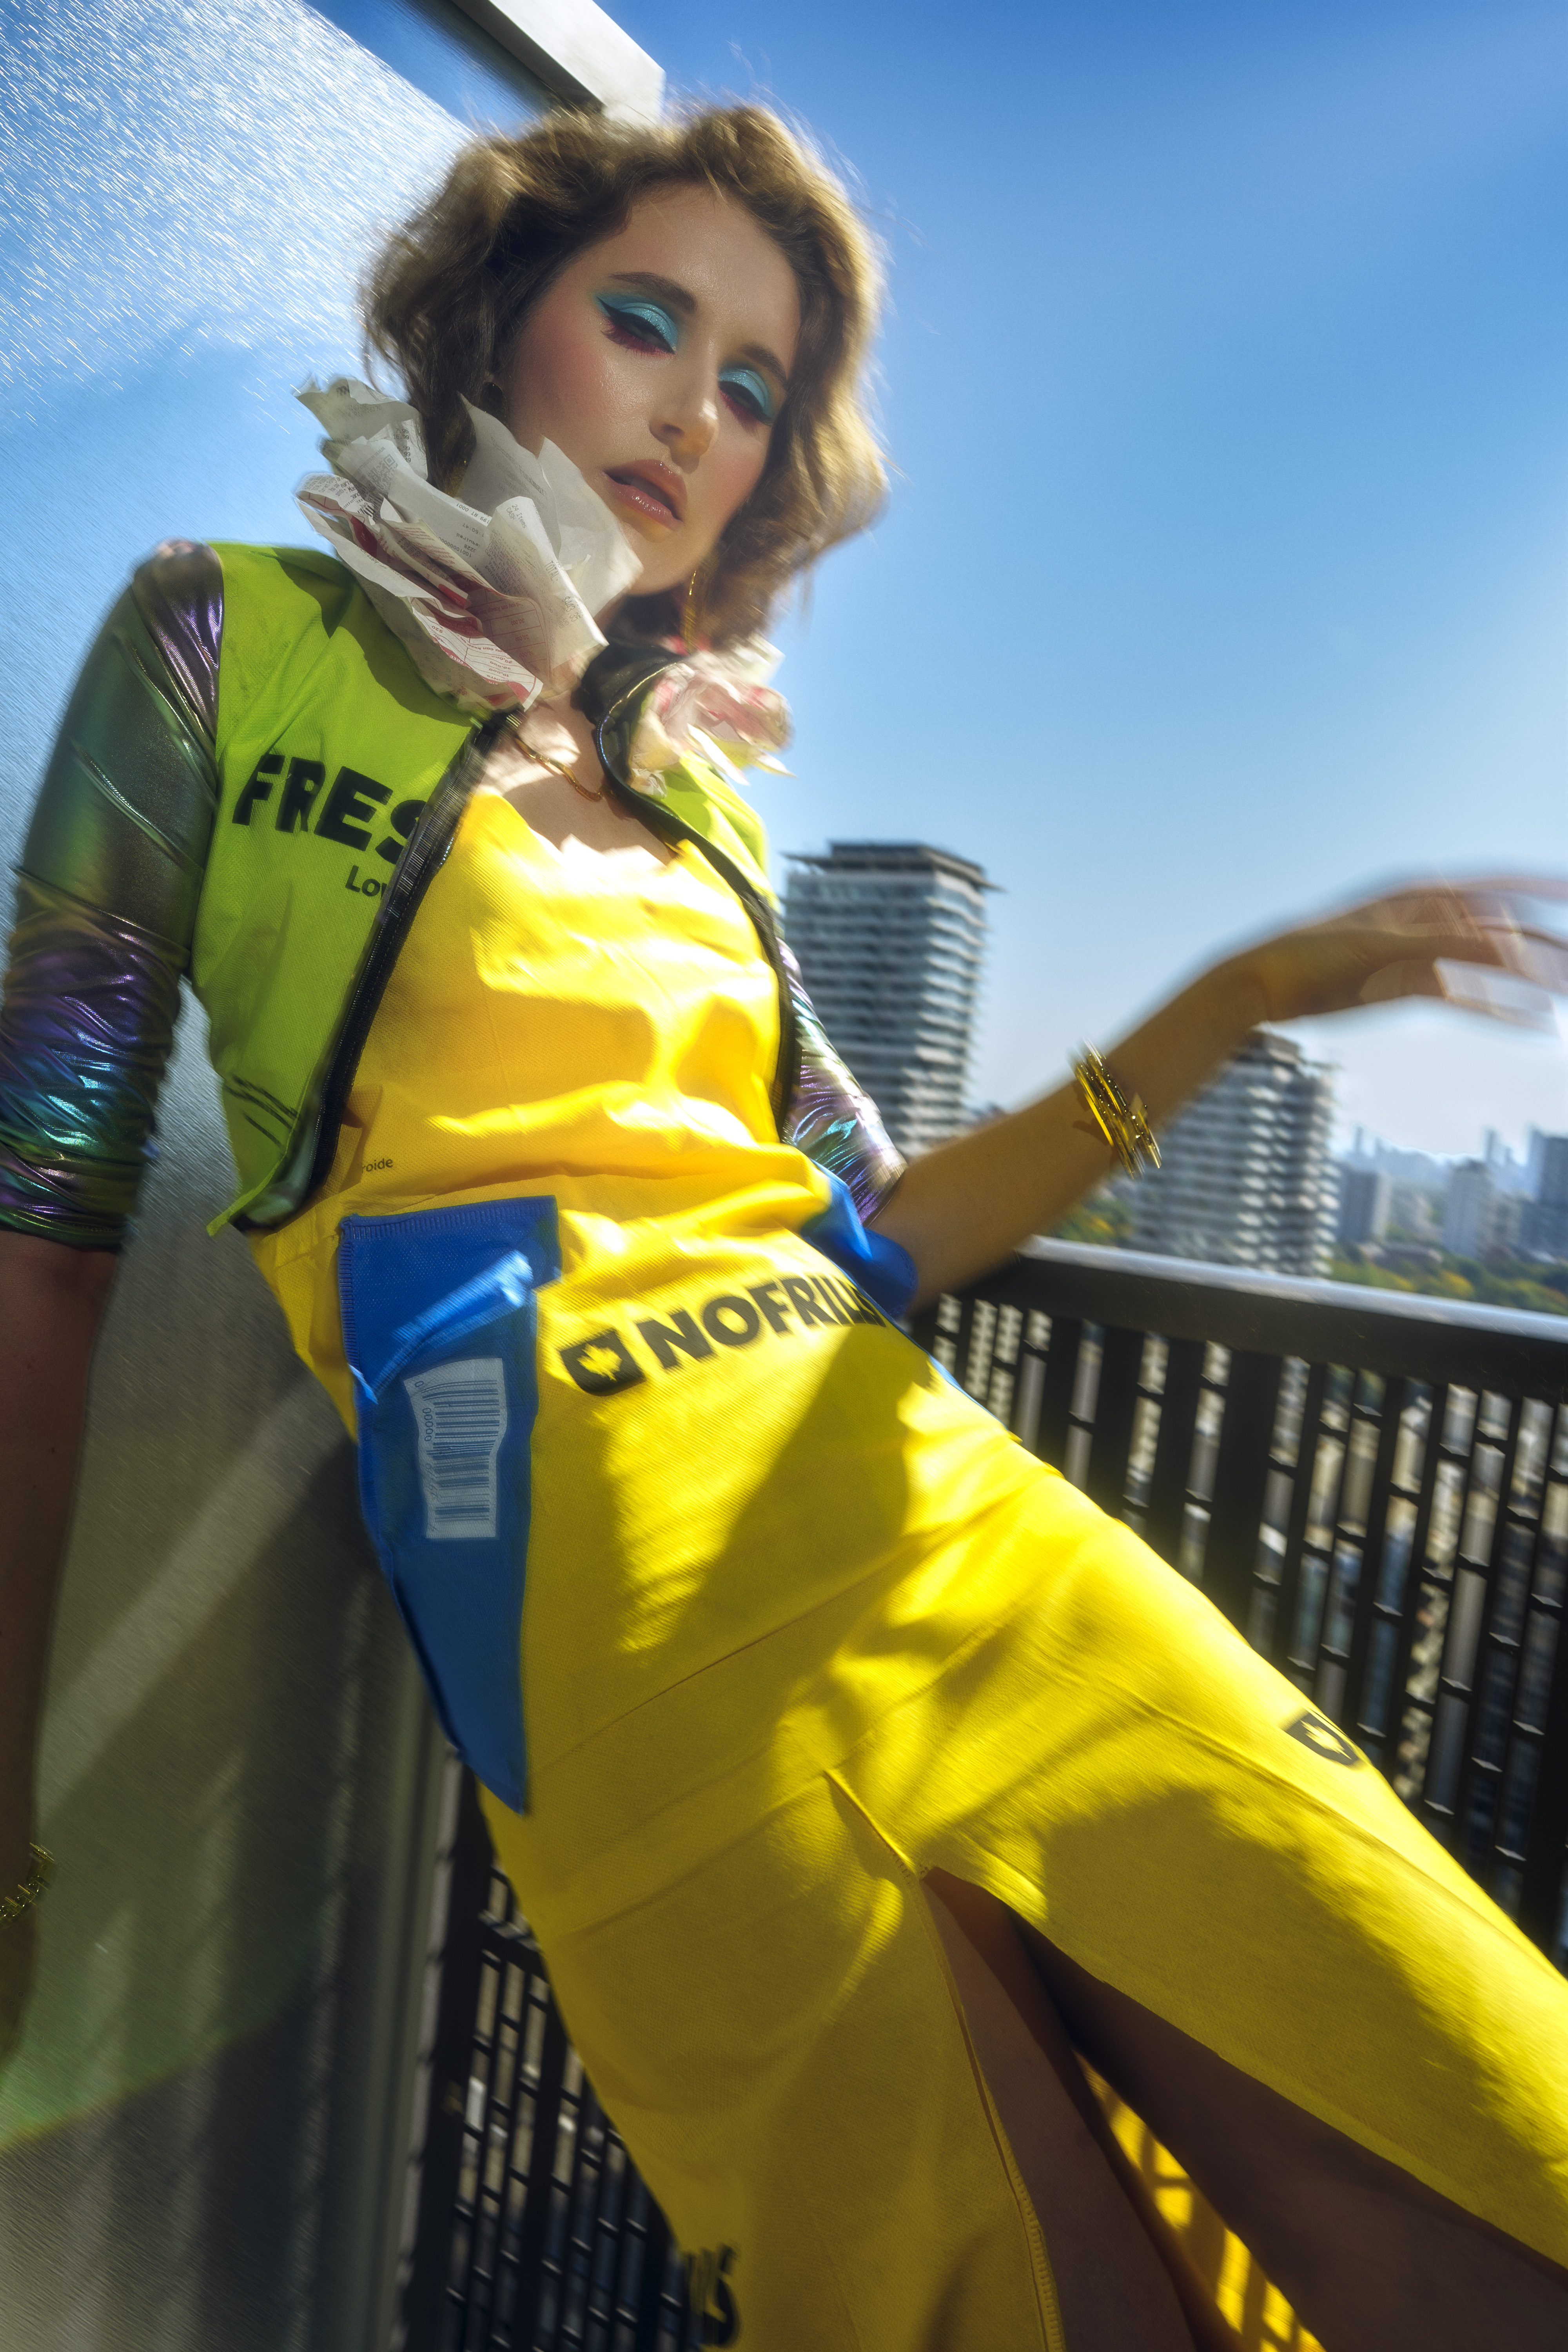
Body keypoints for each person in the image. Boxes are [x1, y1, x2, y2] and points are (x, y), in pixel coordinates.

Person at [2, 101, 1566, 2352]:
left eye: (753, 384)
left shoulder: (701, 792)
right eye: (649, 322)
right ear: (493, 320)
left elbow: (882, 1231)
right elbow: (38, 1245)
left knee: (1498, 2158)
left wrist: (1235, 997)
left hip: (952, 1523)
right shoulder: (224, 635)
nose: (695, 415)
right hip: (613, 1628)